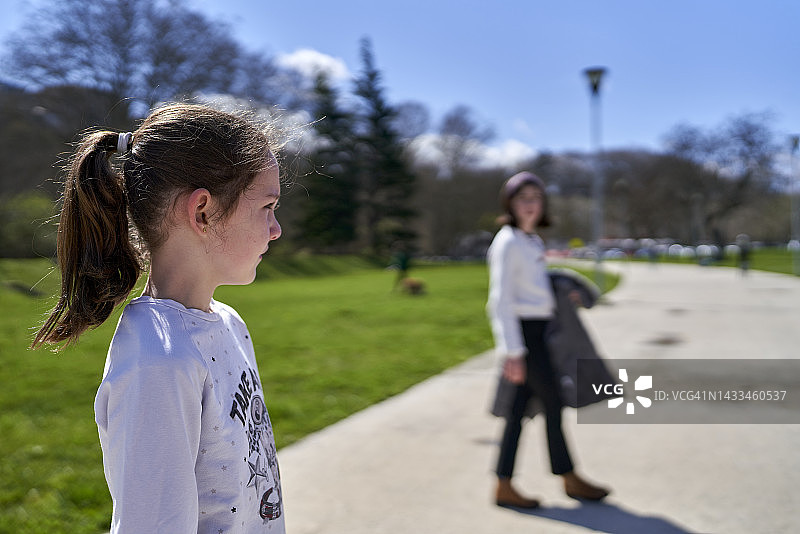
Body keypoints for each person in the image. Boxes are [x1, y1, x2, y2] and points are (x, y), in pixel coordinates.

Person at [31, 103, 287, 532]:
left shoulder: (228, 323)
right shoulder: (160, 363)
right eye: (267, 207)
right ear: (203, 211)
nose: (276, 229)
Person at [486, 171, 610, 508]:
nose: (530, 205)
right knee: (553, 403)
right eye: (522, 199)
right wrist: (512, 352)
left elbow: (535, 287)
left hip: (542, 332)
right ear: (510, 204)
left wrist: (560, 291)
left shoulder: (531, 241)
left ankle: (503, 485)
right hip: (526, 338)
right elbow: (500, 301)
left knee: (517, 412)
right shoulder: (508, 241)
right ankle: (569, 477)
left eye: (535, 199)